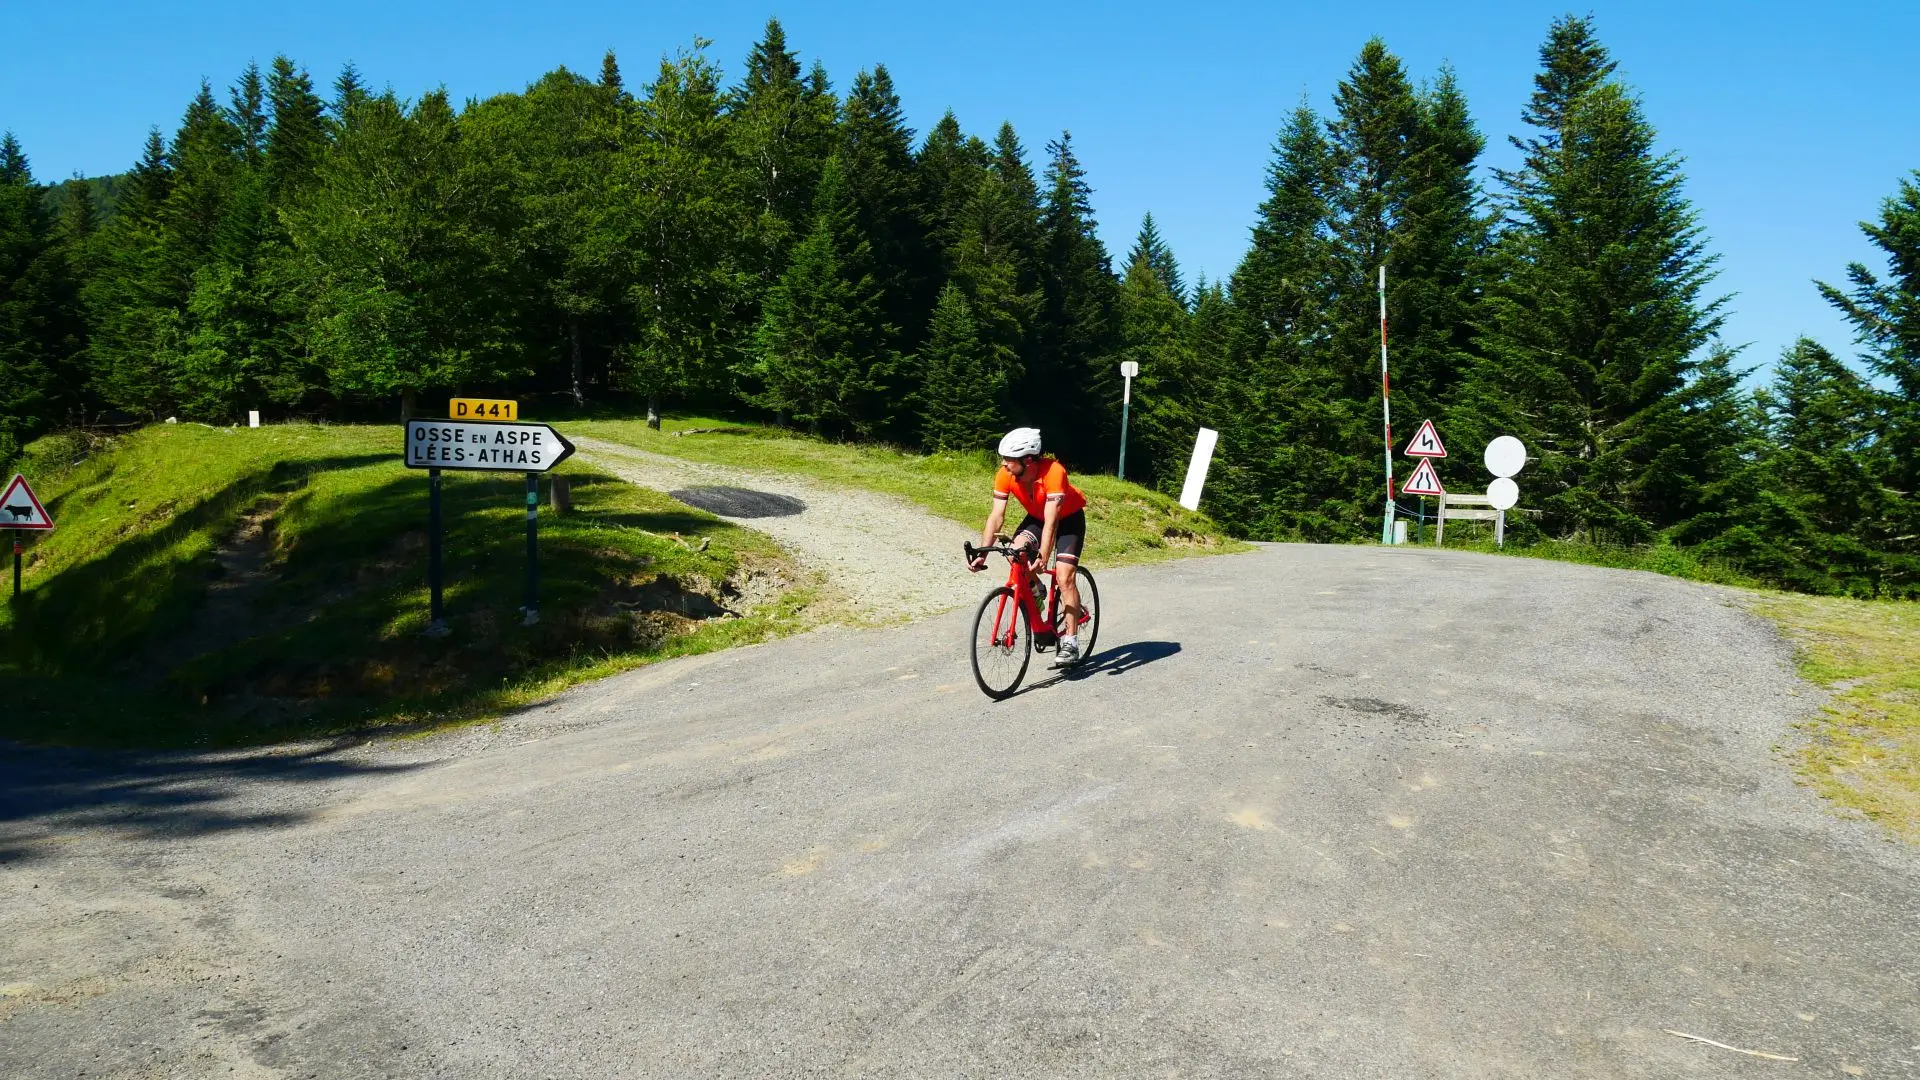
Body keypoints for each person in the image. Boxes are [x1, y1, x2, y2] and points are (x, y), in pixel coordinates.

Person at [969, 427, 1088, 667]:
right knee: (1014, 553)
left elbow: (1053, 521)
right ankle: (1037, 589)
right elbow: (996, 516)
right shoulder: (1005, 475)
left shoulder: (1054, 472)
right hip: (1037, 518)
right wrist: (982, 553)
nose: (1003, 464)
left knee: (1064, 577)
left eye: (1009, 459)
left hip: (1068, 520)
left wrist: (1043, 555)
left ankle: (1070, 642)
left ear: (1029, 460)